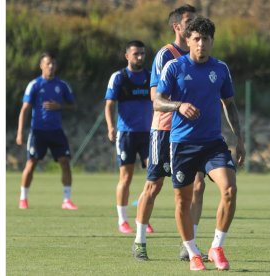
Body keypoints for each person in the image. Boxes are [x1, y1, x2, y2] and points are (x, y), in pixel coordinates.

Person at [153, 17, 245, 271]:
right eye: (196, 39)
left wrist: (239, 137)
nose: (201, 44)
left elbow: (229, 104)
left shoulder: (221, 69)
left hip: (213, 143)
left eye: (206, 39)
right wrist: (178, 105)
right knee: (183, 201)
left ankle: (217, 246)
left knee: (230, 189)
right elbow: (158, 102)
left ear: (212, 41)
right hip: (182, 144)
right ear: (188, 40)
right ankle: (193, 251)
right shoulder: (174, 67)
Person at [132, 4, 207, 262]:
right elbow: (155, 96)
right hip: (164, 130)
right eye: (189, 20)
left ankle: (189, 245)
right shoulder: (166, 55)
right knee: (154, 185)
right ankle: (139, 240)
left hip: (192, 133)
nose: (194, 23)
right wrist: (180, 105)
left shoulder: (201, 56)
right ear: (177, 26)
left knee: (198, 185)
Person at [16, 52, 78, 210]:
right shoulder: (35, 85)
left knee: (65, 162)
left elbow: (73, 106)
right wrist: (19, 132)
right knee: (31, 163)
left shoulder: (62, 85)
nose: (51, 66)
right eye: (48, 63)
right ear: (41, 65)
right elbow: (24, 109)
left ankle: (66, 200)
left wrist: (60, 106)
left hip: (56, 131)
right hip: (38, 131)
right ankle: (23, 198)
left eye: (53, 64)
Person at [104, 40, 153, 234]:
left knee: (153, 176)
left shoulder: (150, 77)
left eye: (142, 53)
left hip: (148, 134)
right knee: (126, 177)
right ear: (127, 56)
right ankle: (122, 221)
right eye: (136, 54)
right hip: (126, 134)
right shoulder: (119, 78)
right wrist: (110, 127)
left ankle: (143, 216)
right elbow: (109, 104)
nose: (140, 57)